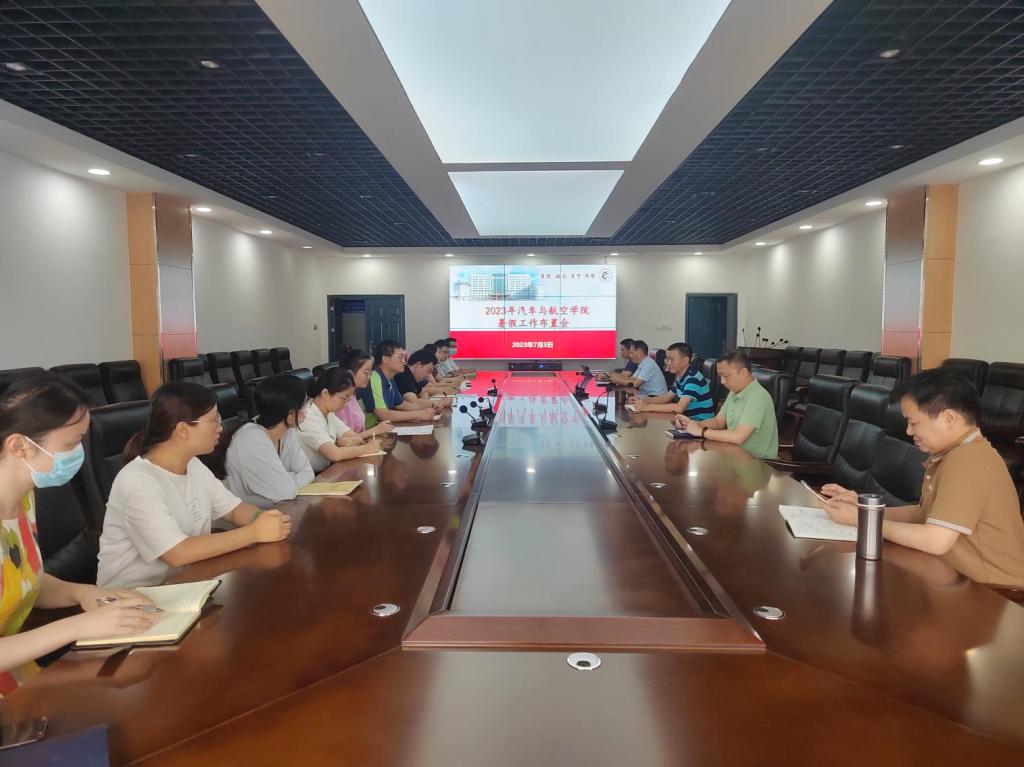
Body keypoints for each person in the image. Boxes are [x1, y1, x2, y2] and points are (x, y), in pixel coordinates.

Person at [0, 375, 157, 694]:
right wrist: (79, 626)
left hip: (21, 677)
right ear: (19, 446)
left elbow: (24, 580)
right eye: (71, 444)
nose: (78, 454)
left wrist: (83, 594)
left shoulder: (23, 500)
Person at [821, 368, 1024, 588]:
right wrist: (865, 508)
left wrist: (863, 521)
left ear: (948, 418)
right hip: (956, 579)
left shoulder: (969, 460)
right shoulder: (953, 453)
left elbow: (935, 540)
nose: (908, 431)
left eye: (913, 422)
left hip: (994, 593)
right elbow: (924, 513)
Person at [99, 382, 291, 589]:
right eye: (214, 420)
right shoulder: (138, 481)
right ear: (183, 429)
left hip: (187, 584)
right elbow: (177, 553)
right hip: (135, 596)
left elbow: (233, 510)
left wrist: (261, 518)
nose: (220, 428)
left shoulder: (193, 465)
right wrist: (254, 532)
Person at [225, 374, 315, 508]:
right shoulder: (252, 439)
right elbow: (286, 493)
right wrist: (289, 481)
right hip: (248, 516)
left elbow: (308, 472)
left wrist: (286, 481)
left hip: (279, 509)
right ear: (290, 415)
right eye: (304, 404)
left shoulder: (287, 432)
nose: (307, 408)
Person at [673, 350, 778, 459]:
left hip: (756, 461)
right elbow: (718, 422)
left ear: (743, 372)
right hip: (733, 453)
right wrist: (692, 423)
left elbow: (738, 437)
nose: (722, 381)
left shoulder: (758, 396)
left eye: (726, 376)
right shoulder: (735, 391)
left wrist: (701, 431)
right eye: (720, 376)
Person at [297, 367, 382, 472]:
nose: (345, 404)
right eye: (344, 398)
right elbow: (335, 455)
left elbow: (354, 437)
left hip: (328, 470)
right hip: (312, 476)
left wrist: (347, 442)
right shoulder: (307, 416)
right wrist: (367, 448)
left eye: (348, 399)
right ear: (325, 393)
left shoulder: (329, 413)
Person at [358, 341, 443, 428]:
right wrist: (420, 414)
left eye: (404, 357)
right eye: (400, 357)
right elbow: (384, 415)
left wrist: (430, 408)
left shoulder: (390, 378)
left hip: (380, 428)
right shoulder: (374, 377)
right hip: (367, 430)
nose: (404, 362)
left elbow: (402, 405)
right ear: (385, 359)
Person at [629, 342, 715, 420]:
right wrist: (643, 401)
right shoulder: (680, 377)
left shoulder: (693, 379)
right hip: (686, 420)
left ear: (685, 360)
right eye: (667, 359)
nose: (668, 363)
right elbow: (666, 397)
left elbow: (679, 408)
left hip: (699, 423)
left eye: (672, 359)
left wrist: (647, 407)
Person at [338, 350, 395, 438]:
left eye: (370, 373)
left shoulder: (352, 395)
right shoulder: (341, 400)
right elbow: (345, 439)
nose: (369, 377)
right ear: (350, 373)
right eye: (365, 373)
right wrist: (375, 430)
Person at [602, 340, 667, 397]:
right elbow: (631, 379)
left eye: (631, 353)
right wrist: (611, 377)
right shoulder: (643, 363)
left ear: (639, 353)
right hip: (646, 395)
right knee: (620, 392)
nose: (630, 356)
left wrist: (616, 380)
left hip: (656, 397)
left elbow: (635, 384)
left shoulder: (648, 364)